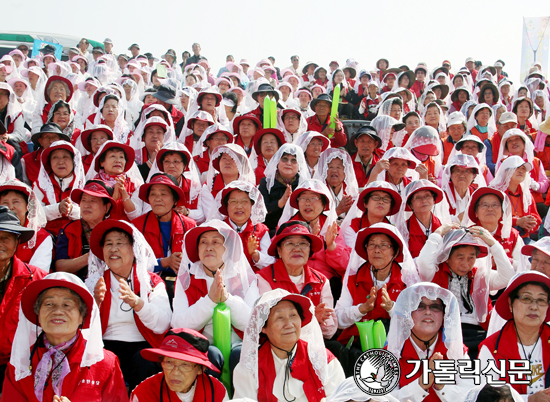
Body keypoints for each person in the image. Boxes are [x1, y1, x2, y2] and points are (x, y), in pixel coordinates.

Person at [2, 271, 129, 401]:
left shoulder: (104, 363)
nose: (57, 311)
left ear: (82, 317)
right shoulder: (20, 364)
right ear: (38, 315)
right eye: (49, 304)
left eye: (67, 305)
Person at [88, 219, 172, 391]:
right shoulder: (93, 283)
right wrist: (95, 303)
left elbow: (163, 323)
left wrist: (137, 303)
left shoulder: (151, 282)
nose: (113, 249)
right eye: (108, 244)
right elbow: (81, 328)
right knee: (100, 359)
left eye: (120, 243)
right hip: (105, 345)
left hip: (141, 346)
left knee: (145, 361)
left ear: (134, 250)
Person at [171, 220, 260, 373]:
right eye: (203, 242)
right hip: (200, 346)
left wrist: (228, 299)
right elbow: (178, 325)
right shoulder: (186, 281)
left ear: (228, 249)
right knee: (211, 356)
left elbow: (253, 324)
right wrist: (209, 301)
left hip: (238, 344)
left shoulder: (246, 279)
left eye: (216, 241)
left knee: (239, 355)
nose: (209, 247)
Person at [417, 225, 515, 358]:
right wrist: (438, 232)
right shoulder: (436, 273)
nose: (466, 264)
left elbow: (507, 277)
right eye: (460, 257)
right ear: (448, 256)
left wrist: (492, 243)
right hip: (445, 333)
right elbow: (423, 262)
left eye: (471, 257)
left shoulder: (480, 275)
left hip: (478, 333)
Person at [233, 289, 345, 401]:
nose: (289, 324)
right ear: (263, 327)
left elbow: (340, 398)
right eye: (279, 317)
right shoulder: (250, 369)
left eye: (293, 315)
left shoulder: (322, 360)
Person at [386, 283, 474, 401]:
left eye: (435, 307)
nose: (428, 312)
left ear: (444, 315)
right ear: (408, 313)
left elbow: (470, 396)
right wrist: (420, 385)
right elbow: (384, 398)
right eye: (420, 306)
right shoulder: (392, 350)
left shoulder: (455, 349)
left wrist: (442, 387)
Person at [256, 219, 338, 340]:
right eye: (289, 243)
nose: (297, 249)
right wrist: (312, 318)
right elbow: (268, 326)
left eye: (303, 244)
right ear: (279, 251)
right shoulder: (264, 279)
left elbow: (329, 330)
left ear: (310, 250)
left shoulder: (321, 281)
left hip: (314, 346)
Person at [478, 271, 550, 399]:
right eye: (526, 298)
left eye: (541, 300)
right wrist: (527, 400)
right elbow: (484, 397)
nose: (534, 307)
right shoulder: (491, 347)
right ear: (511, 304)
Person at [0, 205, 47, 389]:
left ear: (17, 241)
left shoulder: (37, 279)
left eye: (5, 238)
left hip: (22, 365)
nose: (0, 243)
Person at [131, 173, 196, 303]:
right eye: (153, 194)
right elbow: (133, 264)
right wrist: (163, 263)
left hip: (183, 285)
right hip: (149, 286)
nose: (157, 199)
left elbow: (196, 262)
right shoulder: (137, 226)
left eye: (163, 194)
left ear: (175, 200)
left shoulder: (189, 225)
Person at [130, 329, 228, 402]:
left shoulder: (216, 390)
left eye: (185, 365)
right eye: (169, 362)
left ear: (201, 368)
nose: (175, 372)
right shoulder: (144, 394)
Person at [55, 180, 114, 281]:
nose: (86, 205)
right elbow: (60, 267)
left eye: (93, 200)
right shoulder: (69, 229)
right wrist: (92, 256)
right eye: (84, 200)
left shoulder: (116, 231)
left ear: (107, 207)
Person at [213, 181, 274, 272]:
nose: (239, 206)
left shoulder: (261, 230)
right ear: (226, 206)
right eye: (233, 201)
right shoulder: (217, 228)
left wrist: (255, 254)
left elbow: (271, 263)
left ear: (252, 205)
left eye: (244, 201)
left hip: (254, 280)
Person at [463, 187, 527, 273]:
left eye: (495, 205)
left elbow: (524, 266)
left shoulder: (512, 234)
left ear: (502, 211)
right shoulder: (468, 234)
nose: (490, 209)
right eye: (485, 205)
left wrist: (503, 259)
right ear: (476, 213)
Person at [33, 140, 85, 236]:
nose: (60, 161)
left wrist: (71, 209)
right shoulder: (40, 184)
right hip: (46, 235)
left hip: (76, 235)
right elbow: (34, 213)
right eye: (55, 157)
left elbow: (89, 214)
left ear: (74, 161)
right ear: (49, 162)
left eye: (65, 157)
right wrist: (57, 209)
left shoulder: (83, 185)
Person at [0, 180, 52, 272]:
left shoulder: (42, 238)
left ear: (28, 206)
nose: (10, 207)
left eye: (16, 202)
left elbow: (38, 274)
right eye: (5, 202)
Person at [258, 143, 310, 235]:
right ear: (278, 162)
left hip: (298, 231)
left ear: (299, 166)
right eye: (285, 159)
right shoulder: (266, 183)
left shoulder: (303, 185)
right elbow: (260, 213)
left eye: (294, 160)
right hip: (269, 231)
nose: (288, 163)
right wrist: (280, 202)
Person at [87, 140, 143, 221]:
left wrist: (124, 194)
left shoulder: (134, 185)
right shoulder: (93, 185)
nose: (118, 160)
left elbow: (136, 217)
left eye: (121, 157)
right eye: (113, 156)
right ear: (102, 162)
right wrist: (114, 198)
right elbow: (93, 215)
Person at [490, 155, 541, 242]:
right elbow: (491, 217)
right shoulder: (494, 192)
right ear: (506, 171)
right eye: (517, 168)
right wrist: (517, 221)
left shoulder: (527, 194)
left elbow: (536, 218)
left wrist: (530, 223)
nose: (521, 171)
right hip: (499, 238)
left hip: (523, 237)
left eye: (524, 169)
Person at [395, 180, 449, 259]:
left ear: (434, 200)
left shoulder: (444, 226)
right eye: (418, 197)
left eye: (427, 196)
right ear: (410, 205)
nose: (424, 201)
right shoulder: (403, 230)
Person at [341, 181, 402, 248]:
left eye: (386, 199)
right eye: (376, 197)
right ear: (365, 203)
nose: (381, 202)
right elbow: (352, 254)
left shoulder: (393, 231)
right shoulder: (352, 226)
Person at [313, 148, 358, 222]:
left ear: (345, 172)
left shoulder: (350, 190)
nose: (334, 170)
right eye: (330, 167)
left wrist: (349, 213)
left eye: (338, 167)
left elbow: (356, 218)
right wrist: (338, 210)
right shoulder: (318, 190)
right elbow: (315, 219)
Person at [441, 154, 480, 220]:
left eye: (467, 171)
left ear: (473, 176)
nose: (462, 175)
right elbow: (438, 219)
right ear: (450, 174)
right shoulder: (442, 195)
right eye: (457, 171)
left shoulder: (476, 195)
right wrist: (458, 218)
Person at [485, 111, 518, 175]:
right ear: (498, 127)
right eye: (506, 126)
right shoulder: (489, 142)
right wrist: (507, 168)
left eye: (512, 126)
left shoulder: (521, 142)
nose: (509, 129)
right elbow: (488, 164)